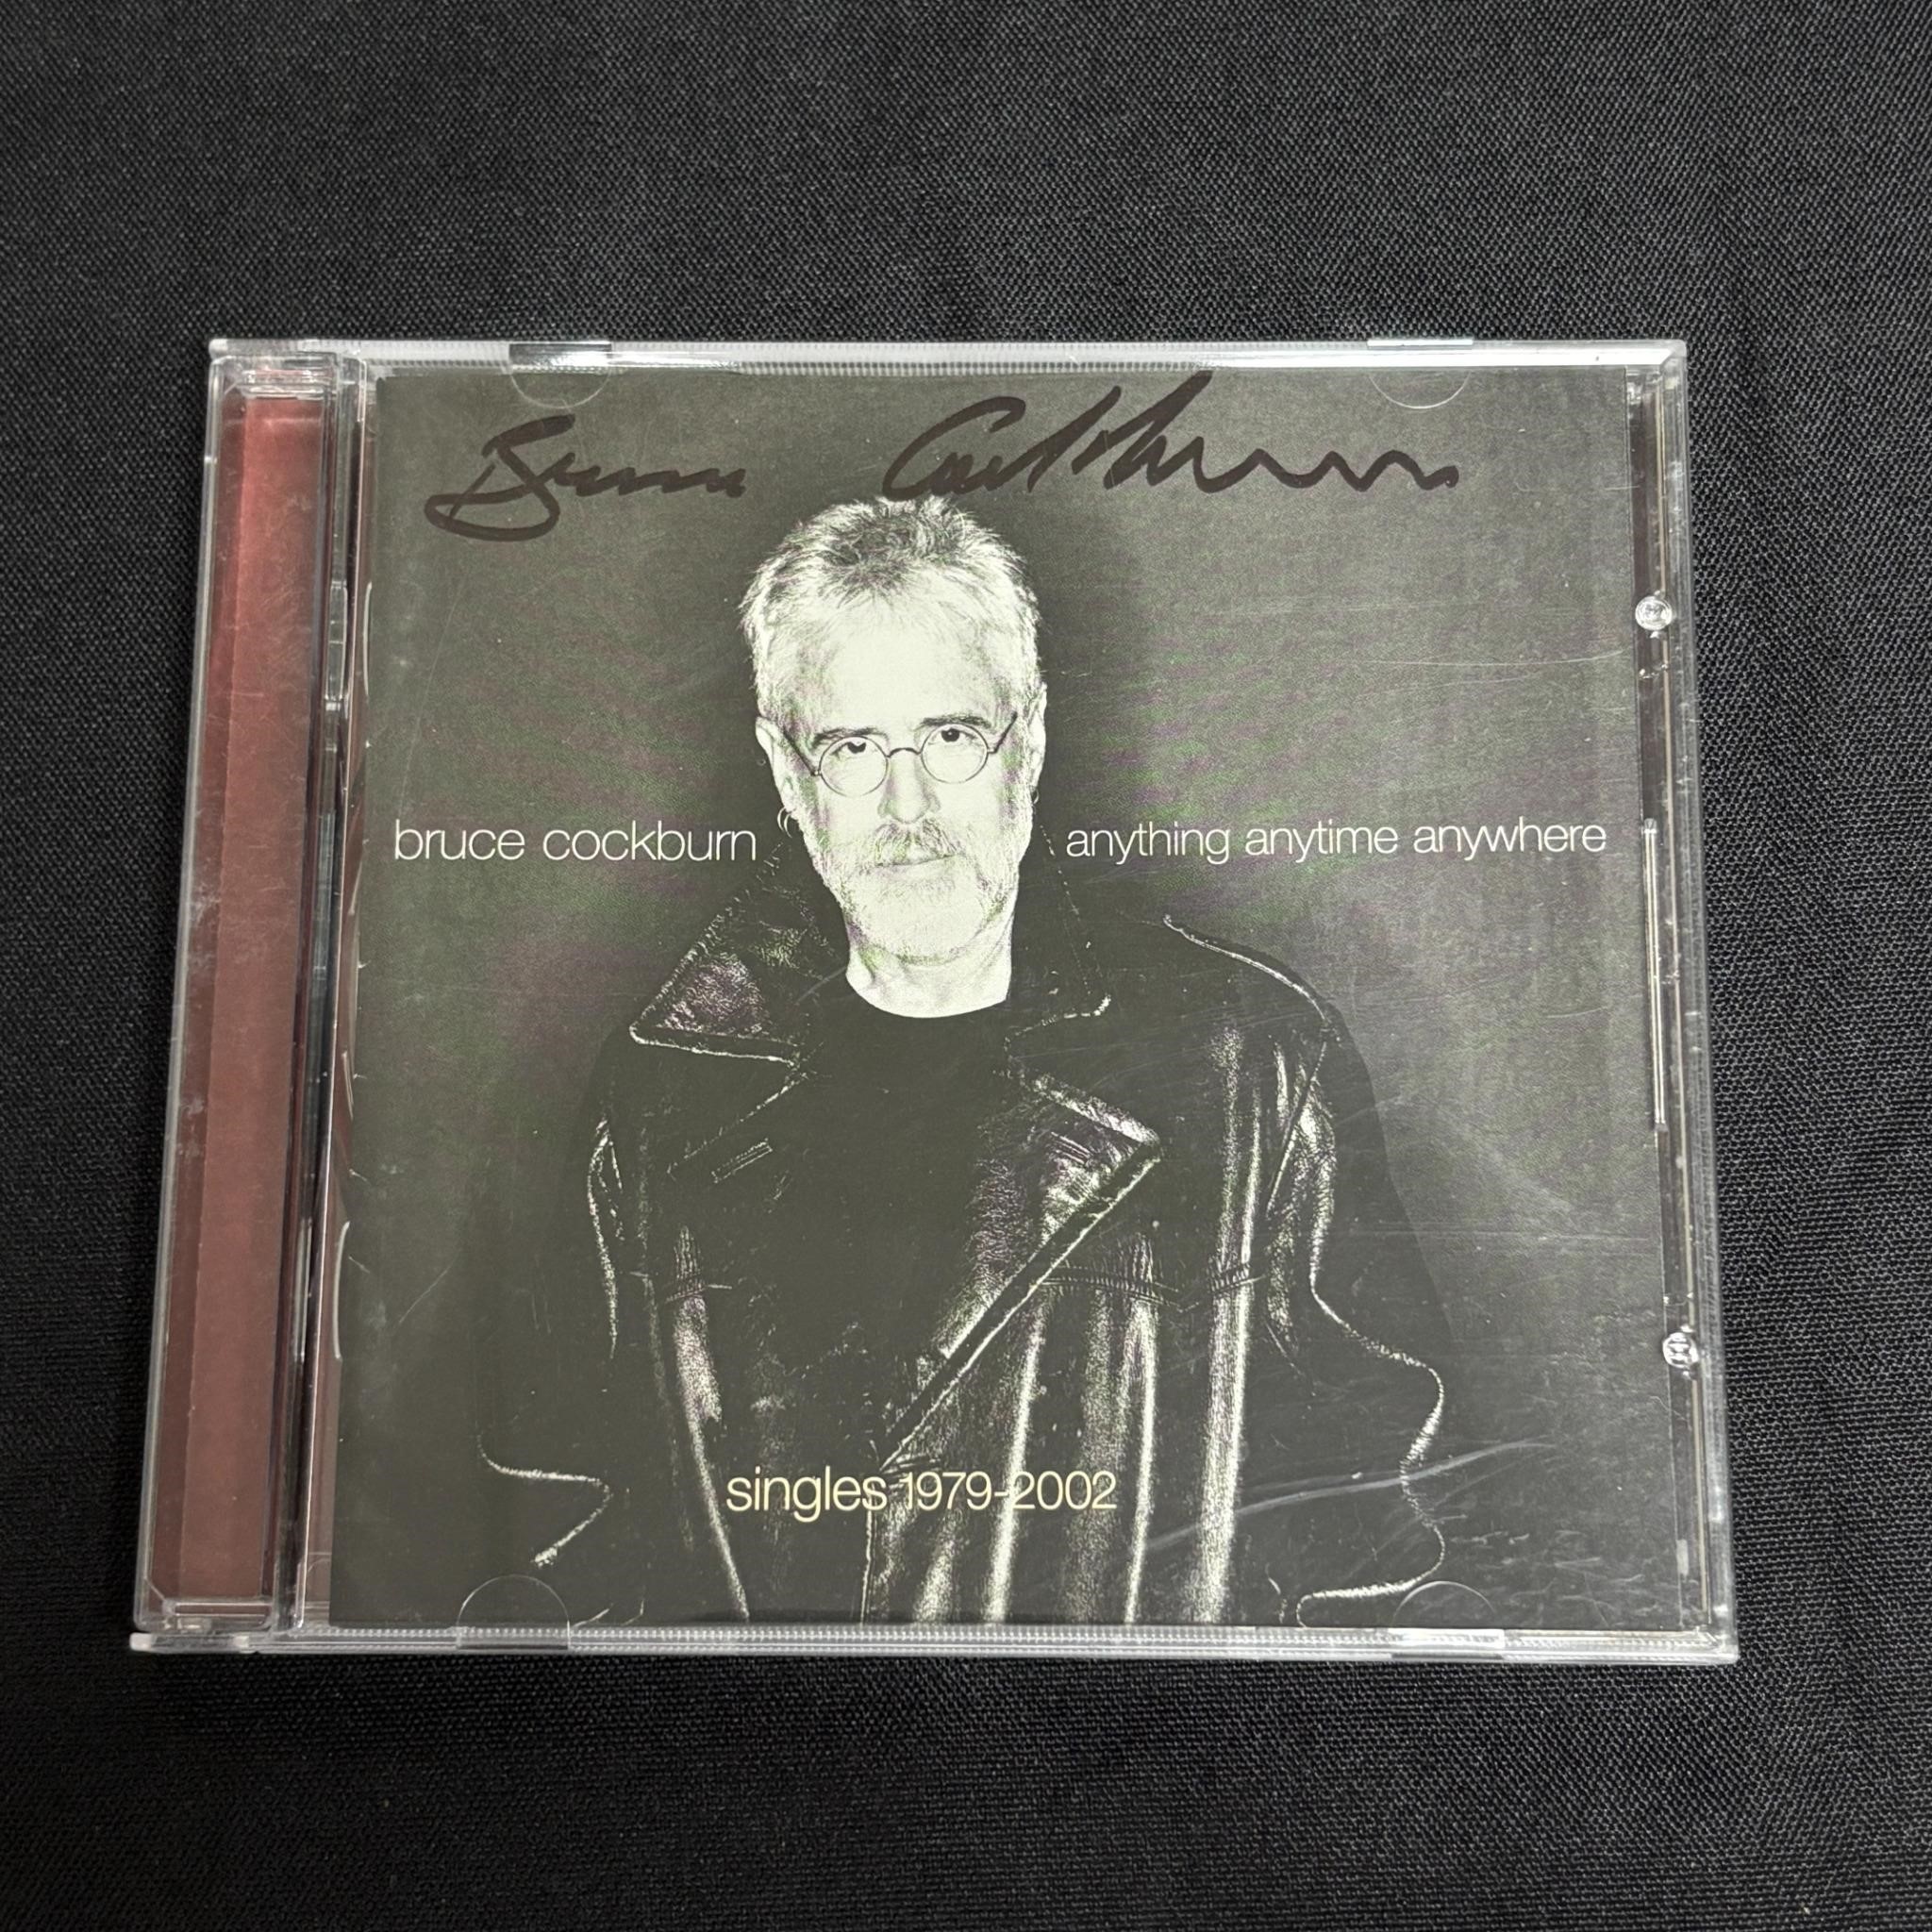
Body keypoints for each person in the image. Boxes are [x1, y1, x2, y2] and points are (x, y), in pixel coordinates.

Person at [487, 496, 1453, 1628]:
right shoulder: (660, 1090)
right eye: (852, 748)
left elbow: (1387, 1538)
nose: (907, 807)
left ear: (1026, 743)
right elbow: (565, 1534)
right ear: (787, 774)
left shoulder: (1252, 1067)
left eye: (949, 736)